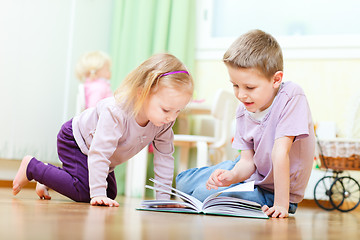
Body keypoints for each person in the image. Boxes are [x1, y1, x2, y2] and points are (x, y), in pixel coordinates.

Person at [13, 53, 194, 207]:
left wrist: (162, 201)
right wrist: (97, 194)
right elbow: (100, 153)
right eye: (166, 110)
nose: (172, 117)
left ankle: (50, 176)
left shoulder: (164, 123)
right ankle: (32, 167)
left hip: (96, 150)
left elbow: (164, 159)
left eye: (178, 110)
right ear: (142, 93)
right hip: (76, 140)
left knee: (110, 193)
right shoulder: (116, 112)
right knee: (86, 192)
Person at [176, 29, 315, 218]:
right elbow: (247, 162)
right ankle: (229, 183)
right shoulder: (243, 109)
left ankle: (226, 191)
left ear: (276, 80)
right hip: (251, 177)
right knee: (182, 182)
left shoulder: (291, 96)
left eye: (249, 87)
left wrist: (281, 205)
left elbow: (280, 152)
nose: (241, 95)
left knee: (202, 194)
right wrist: (231, 176)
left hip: (275, 193)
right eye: (235, 85)